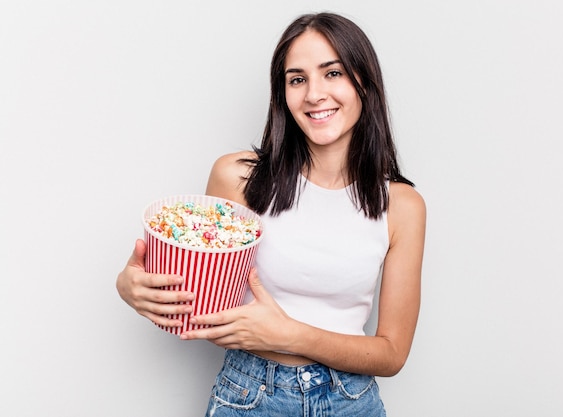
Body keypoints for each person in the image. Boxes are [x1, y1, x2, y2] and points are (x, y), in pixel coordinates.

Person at [117, 11, 426, 417]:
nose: (314, 94)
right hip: (249, 394)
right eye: (297, 79)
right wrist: (131, 285)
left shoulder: (402, 206)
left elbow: (392, 354)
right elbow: (203, 307)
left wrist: (292, 335)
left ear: (363, 82)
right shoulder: (238, 178)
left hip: (351, 402)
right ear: (283, 94)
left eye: (332, 73)